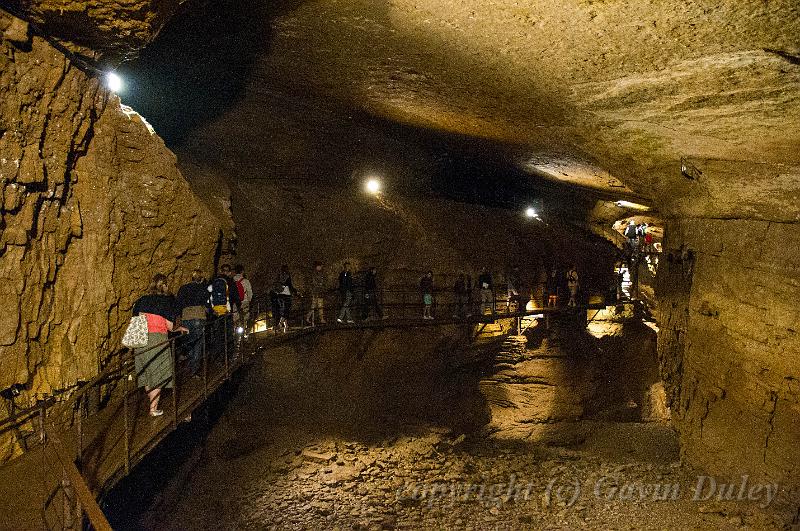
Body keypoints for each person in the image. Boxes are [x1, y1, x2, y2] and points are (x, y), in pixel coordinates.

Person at [132, 274, 184, 417]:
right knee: (158, 374)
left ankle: (152, 404)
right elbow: (170, 326)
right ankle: (153, 408)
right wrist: (178, 328)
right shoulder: (166, 301)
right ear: (165, 285)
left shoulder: (141, 300)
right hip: (157, 339)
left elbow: (135, 320)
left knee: (148, 373)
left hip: (140, 339)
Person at [176, 269, 210, 377]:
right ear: (201, 278)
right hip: (199, 317)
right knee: (197, 344)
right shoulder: (203, 289)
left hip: (185, 318)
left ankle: (185, 360)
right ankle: (193, 370)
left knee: (188, 341)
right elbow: (208, 304)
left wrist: (179, 318)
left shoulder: (183, 288)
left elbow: (178, 304)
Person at [208, 264, 240, 354]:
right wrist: (238, 307)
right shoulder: (230, 281)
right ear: (229, 273)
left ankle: (216, 354)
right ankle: (228, 355)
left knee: (216, 334)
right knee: (228, 333)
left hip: (215, 313)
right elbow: (236, 297)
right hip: (227, 311)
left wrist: (211, 310)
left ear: (221, 271)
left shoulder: (213, 281)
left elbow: (208, 295)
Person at [305, 261, 326, 326]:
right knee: (316, 305)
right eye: (320, 266)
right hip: (316, 292)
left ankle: (320, 318)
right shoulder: (315, 274)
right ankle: (310, 317)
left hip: (319, 292)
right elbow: (315, 283)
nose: (321, 267)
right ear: (317, 266)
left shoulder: (319, 274)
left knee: (318, 305)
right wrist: (320, 285)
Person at [233, 265, 253, 333]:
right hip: (244, 301)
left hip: (235, 302)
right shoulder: (246, 281)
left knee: (235, 318)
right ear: (242, 271)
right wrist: (249, 300)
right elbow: (249, 292)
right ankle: (243, 333)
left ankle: (235, 333)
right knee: (245, 317)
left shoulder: (232, 280)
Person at [276, 265, 295, 333]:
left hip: (279, 295)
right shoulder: (287, 276)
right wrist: (295, 292)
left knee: (283, 310)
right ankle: (279, 324)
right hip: (286, 294)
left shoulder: (279, 276)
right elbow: (290, 285)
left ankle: (286, 325)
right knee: (286, 310)